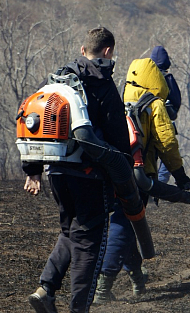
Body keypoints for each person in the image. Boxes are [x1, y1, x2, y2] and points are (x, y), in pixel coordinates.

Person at [23, 27, 131, 313]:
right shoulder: (103, 85)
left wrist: (32, 169)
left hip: (56, 172)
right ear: (108, 52)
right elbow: (118, 136)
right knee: (88, 244)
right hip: (89, 176)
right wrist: (125, 173)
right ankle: (78, 308)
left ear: (83, 51)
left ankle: (45, 289)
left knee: (71, 231)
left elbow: (35, 119)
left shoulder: (58, 80)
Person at [94, 57, 190, 303]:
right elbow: (167, 144)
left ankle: (137, 276)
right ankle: (102, 288)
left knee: (125, 223)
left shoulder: (119, 97)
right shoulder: (154, 105)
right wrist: (182, 178)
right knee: (124, 225)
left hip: (112, 172)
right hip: (141, 176)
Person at [149, 45, 182, 185]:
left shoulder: (141, 78)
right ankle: (161, 184)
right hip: (163, 123)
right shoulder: (167, 78)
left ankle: (148, 184)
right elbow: (176, 102)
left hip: (142, 124)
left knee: (148, 156)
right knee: (167, 151)